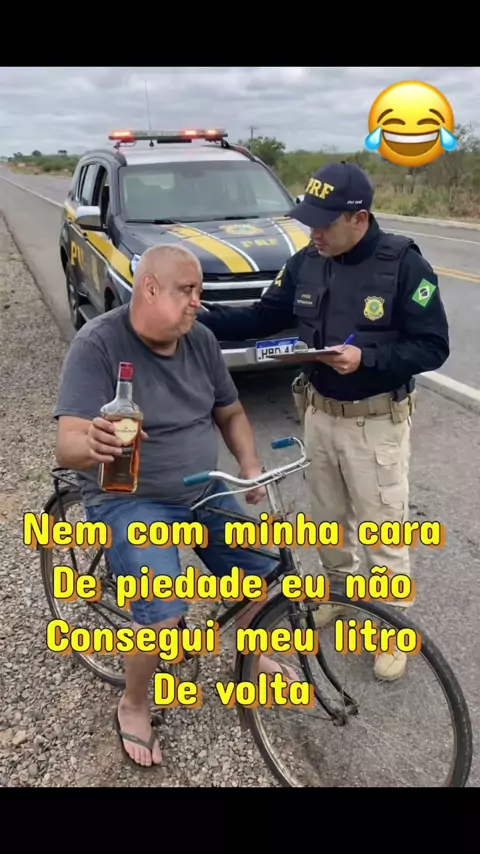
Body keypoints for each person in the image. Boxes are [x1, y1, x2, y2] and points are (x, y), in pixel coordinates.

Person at [197, 160, 450, 682]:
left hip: (375, 421)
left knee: (382, 530)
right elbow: (264, 316)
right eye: (309, 220)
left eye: (324, 223)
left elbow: (433, 346)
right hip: (318, 413)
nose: (313, 232)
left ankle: (390, 628)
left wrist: (367, 359)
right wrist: (198, 318)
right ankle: (337, 594)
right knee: (329, 522)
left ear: (358, 218)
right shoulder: (307, 261)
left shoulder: (404, 265)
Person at [53, 243, 297, 769]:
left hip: (204, 488)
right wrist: (91, 441)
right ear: (150, 288)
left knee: (264, 573)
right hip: (130, 499)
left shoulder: (200, 340)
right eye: (188, 291)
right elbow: (67, 443)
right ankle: (133, 703)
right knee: (164, 615)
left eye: (199, 292)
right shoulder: (98, 344)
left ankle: (252, 657)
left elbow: (230, 413)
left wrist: (249, 463)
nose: (197, 302)